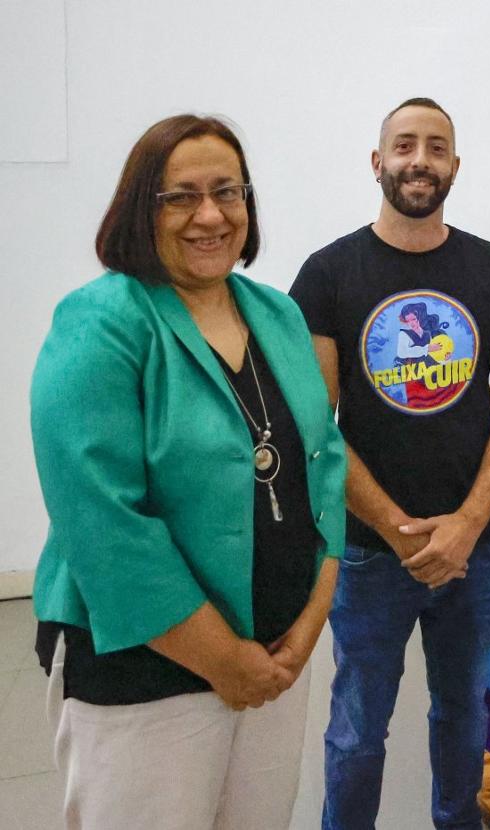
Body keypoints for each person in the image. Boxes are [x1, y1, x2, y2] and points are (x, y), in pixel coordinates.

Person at [30, 114, 347, 829]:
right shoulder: (101, 322)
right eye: (180, 196)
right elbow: (105, 525)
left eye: (227, 192)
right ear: (141, 207)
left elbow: (323, 462)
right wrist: (225, 661)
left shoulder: (277, 314)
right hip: (146, 664)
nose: (210, 215)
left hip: (276, 656)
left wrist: (307, 622)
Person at [289, 96, 490, 830]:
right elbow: (316, 425)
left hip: (476, 550)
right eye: (404, 146)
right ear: (378, 162)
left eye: (435, 147)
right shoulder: (328, 273)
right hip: (369, 553)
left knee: (465, 718)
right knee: (358, 729)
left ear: (455, 166)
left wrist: (467, 524)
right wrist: (396, 528)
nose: (419, 160)